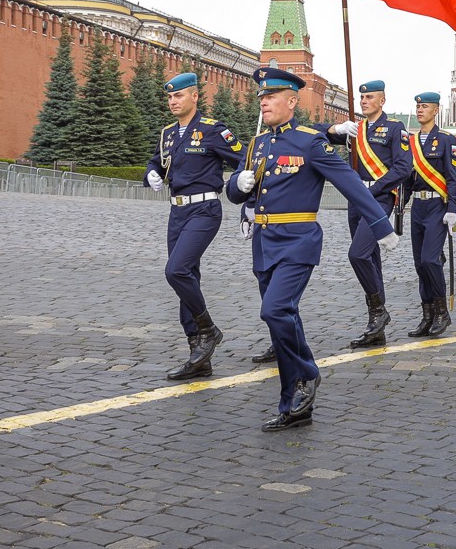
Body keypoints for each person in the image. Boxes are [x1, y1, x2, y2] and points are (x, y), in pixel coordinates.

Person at [226, 67, 398, 431]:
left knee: (274, 311)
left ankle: (306, 375)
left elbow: (349, 181)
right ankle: (294, 401)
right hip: (264, 242)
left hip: (298, 242)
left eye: (271, 97)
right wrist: (236, 186)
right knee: (283, 318)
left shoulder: (308, 142)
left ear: (291, 101)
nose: (264, 103)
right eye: (261, 97)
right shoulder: (258, 144)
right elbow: (242, 192)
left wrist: (381, 225)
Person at [144, 72, 246, 381]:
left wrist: (241, 184)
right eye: (170, 97)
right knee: (187, 277)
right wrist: (150, 173)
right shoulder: (168, 134)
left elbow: (243, 158)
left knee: (175, 271)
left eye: (179, 96)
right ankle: (198, 355)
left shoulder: (213, 131)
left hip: (205, 210)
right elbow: (156, 162)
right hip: (177, 213)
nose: (173, 101)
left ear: (195, 97)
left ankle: (208, 330)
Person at [322, 80, 413, 348]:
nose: (363, 101)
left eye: (369, 97)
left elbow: (403, 168)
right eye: (361, 97)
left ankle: (378, 313)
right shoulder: (355, 130)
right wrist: (336, 128)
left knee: (357, 253)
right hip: (356, 199)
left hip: (379, 199)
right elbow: (316, 135)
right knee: (371, 260)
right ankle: (377, 325)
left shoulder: (396, 129)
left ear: (382, 101)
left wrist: (374, 189)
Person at [399, 92, 456, 336]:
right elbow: (408, 179)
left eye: (425, 106)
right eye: (418, 106)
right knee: (419, 264)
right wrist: (400, 204)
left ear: (436, 110)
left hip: (437, 207)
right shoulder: (410, 141)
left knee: (430, 260)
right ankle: (427, 315)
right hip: (418, 207)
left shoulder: (446, 140)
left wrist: (452, 209)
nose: (420, 110)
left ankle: (442, 312)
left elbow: (453, 177)